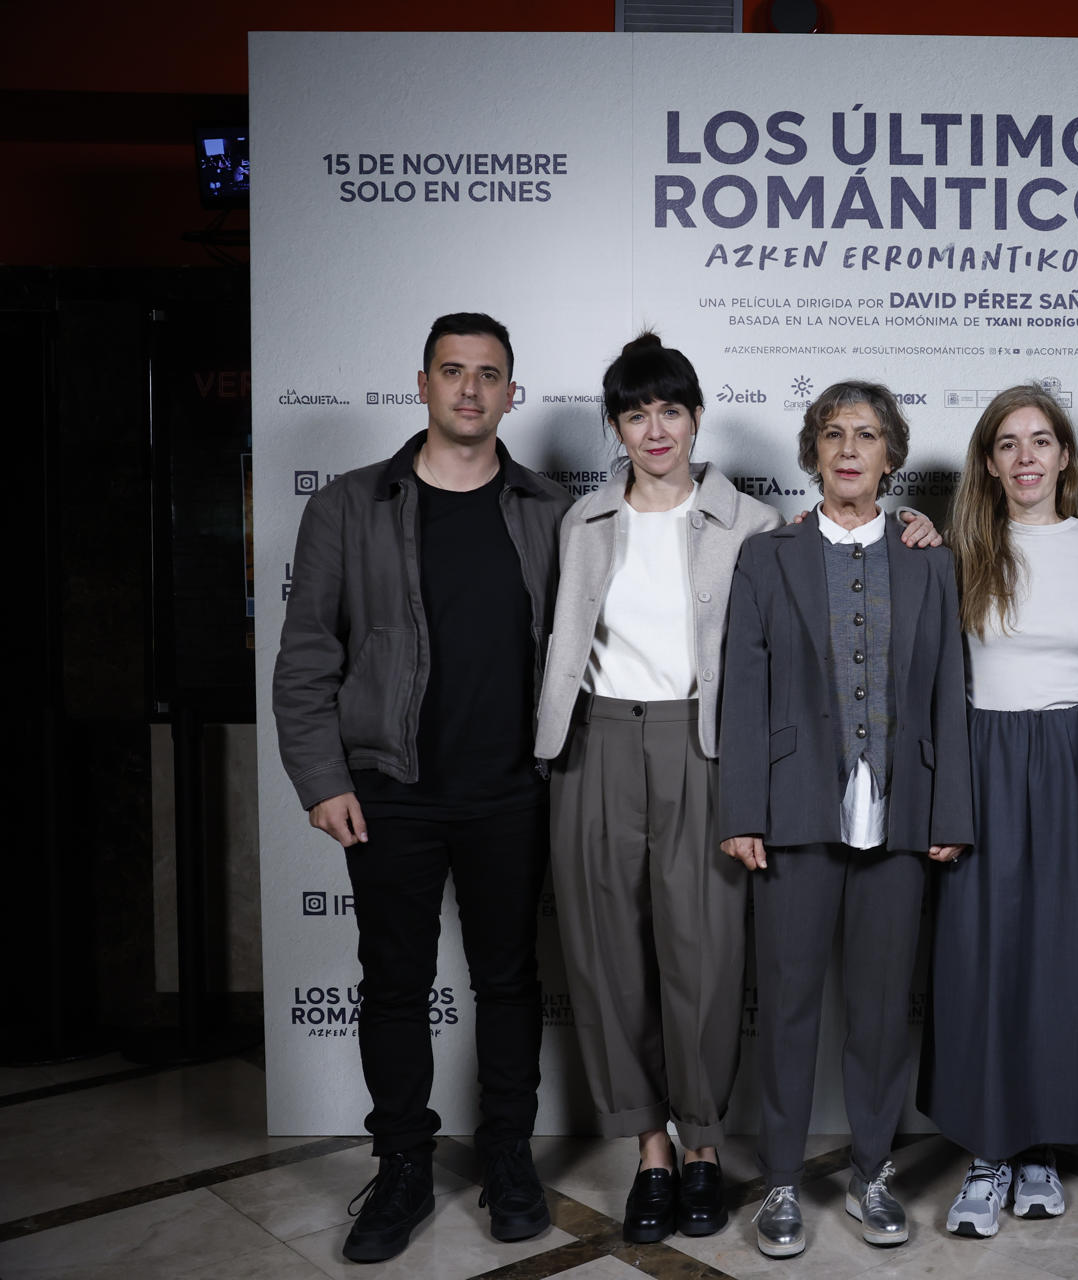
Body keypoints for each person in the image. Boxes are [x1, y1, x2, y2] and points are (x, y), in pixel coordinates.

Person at [273, 312, 567, 1263]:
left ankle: (510, 1157)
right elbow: (306, 657)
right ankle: (401, 1164)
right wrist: (322, 777)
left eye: (489, 374)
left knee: (510, 981)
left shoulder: (550, 510)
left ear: (512, 392)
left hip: (511, 793)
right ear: (423, 382)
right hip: (389, 789)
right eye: (453, 371)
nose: (471, 389)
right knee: (394, 985)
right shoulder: (351, 505)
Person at [530, 333, 782, 1243]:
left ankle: (705, 1147)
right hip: (593, 744)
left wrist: (917, 524)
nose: (654, 428)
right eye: (635, 413)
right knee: (606, 960)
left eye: (669, 409)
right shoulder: (584, 520)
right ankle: (651, 1150)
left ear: (696, 416)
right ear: (617, 427)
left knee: (705, 959)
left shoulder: (750, 525)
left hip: (700, 748)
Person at [718, 381, 972, 1259]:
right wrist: (742, 809)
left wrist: (951, 810)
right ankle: (782, 1181)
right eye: (834, 434)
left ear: (892, 455)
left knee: (877, 1011)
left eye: (867, 435)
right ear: (814, 452)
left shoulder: (930, 559)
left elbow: (949, 696)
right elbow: (744, 693)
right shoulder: (767, 556)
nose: (850, 448)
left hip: (901, 816)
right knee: (787, 1007)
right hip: (792, 814)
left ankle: (872, 1172)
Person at [920, 385, 1078, 1239]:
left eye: (1040, 441)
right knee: (982, 954)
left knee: (1068, 957)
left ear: (1064, 457)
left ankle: (1041, 1141)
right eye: (1007, 443)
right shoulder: (957, 551)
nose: (1025, 458)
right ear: (988, 460)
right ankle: (988, 1148)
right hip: (984, 757)